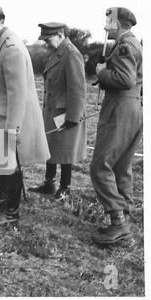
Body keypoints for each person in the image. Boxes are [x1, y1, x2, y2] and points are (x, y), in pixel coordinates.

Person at [0, 5, 50, 226]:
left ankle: (10, 212)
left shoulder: (11, 47)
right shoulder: (1, 43)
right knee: (3, 163)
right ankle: (2, 204)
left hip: (11, 118)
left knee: (9, 165)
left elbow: (17, 93)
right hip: (2, 114)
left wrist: (12, 129)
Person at [90, 7, 142, 245]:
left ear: (118, 24)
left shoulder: (124, 46)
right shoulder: (132, 44)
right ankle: (124, 224)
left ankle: (118, 223)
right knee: (121, 167)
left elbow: (124, 79)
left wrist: (102, 73)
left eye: (108, 23)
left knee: (100, 166)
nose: (104, 27)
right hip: (132, 109)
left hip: (119, 109)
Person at [28, 23, 87, 202]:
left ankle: (65, 188)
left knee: (65, 151)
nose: (46, 43)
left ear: (60, 35)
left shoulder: (71, 53)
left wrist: (72, 117)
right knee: (51, 148)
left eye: (48, 39)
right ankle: (49, 183)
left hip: (65, 112)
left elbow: (77, 88)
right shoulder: (57, 52)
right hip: (52, 110)